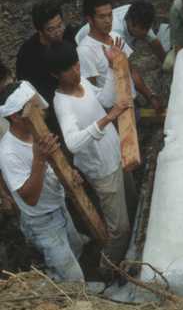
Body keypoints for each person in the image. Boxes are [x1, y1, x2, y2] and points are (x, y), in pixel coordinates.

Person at [46, 40, 132, 272]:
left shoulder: (82, 81)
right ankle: (106, 270)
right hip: (102, 171)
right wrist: (107, 118)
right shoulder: (63, 103)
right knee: (119, 229)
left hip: (117, 155)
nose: (76, 71)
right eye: (69, 70)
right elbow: (73, 143)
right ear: (55, 74)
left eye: (76, 65)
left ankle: (130, 254)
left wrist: (112, 68)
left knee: (131, 206)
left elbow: (104, 99)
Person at [0, 81, 86, 281]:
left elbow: (55, 167)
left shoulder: (36, 131)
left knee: (78, 248)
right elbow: (30, 199)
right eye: (34, 108)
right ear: (15, 117)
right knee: (73, 278)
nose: (41, 111)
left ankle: (62, 275)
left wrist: (70, 174)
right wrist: (39, 159)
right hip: (42, 222)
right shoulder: (8, 152)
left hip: (60, 207)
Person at [77, 0, 162, 113]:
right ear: (90, 19)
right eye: (102, 17)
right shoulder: (85, 51)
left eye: (110, 15)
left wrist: (150, 96)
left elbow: (130, 70)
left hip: (130, 103)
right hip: (113, 113)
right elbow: (93, 96)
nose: (108, 20)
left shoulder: (116, 36)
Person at [16, 0, 78, 132]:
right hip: (53, 110)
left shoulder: (67, 34)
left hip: (76, 92)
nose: (58, 32)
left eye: (60, 25)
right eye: (51, 29)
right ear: (40, 31)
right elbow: (30, 92)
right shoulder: (27, 55)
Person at [76, 0, 166, 62]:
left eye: (147, 28)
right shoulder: (115, 34)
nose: (146, 32)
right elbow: (124, 67)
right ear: (130, 23)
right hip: (85, 43)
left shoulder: (139, 15)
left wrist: (166, 63)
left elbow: (155, 43)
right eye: (143, 29)